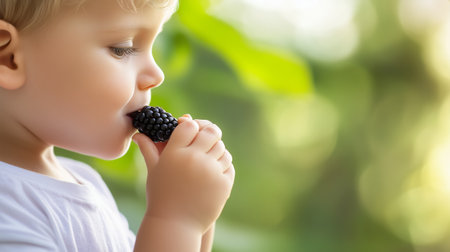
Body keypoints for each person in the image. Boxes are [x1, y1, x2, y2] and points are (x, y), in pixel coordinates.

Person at [0, 0, 235, 251]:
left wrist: (194, 214)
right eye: (123, 48)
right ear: (9, 59)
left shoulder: (84, 180)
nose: (157, 75)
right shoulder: (8, 209)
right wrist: (176, 220)